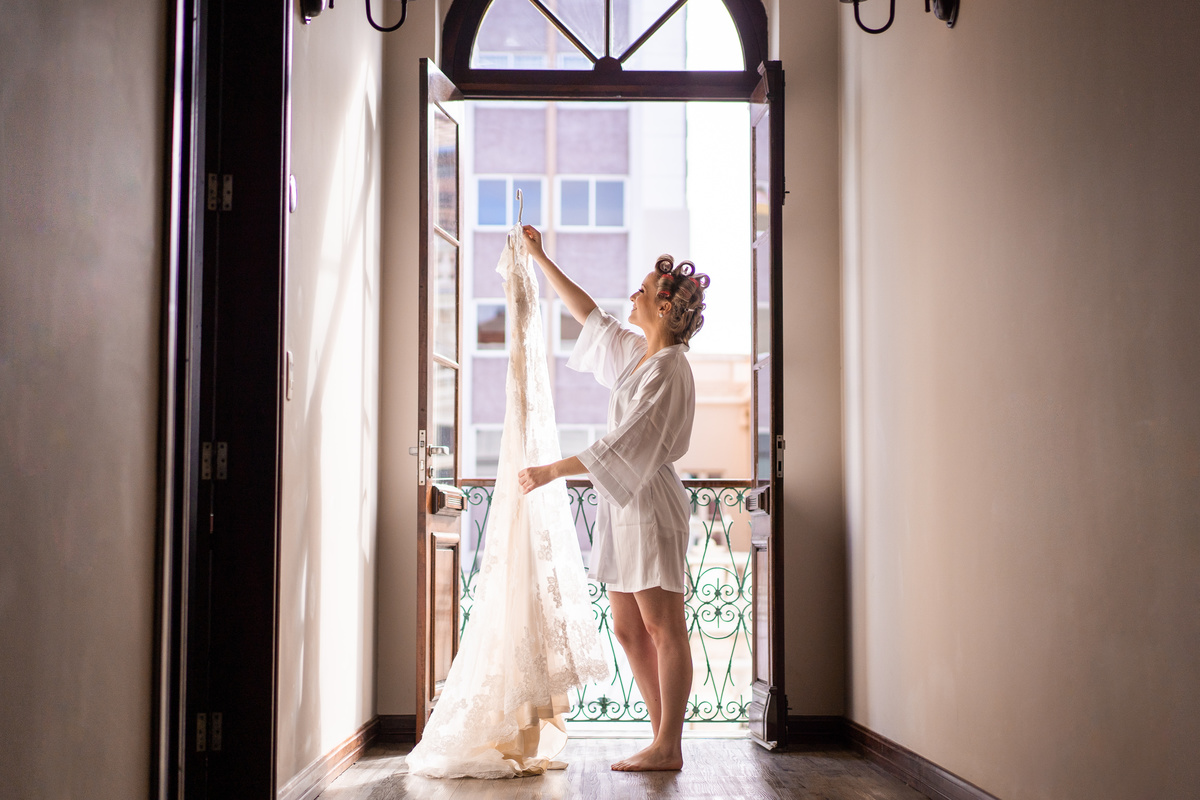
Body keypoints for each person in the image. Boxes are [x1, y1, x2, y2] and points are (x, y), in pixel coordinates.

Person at [516, 225, 710, 772]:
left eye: (644, 291)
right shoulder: (640, 355)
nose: (634, 296)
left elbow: (629, 443)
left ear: (666, 306)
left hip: (650, 506)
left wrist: (555, 468)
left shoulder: (670, 369)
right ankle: (659, 736)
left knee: (663, 625)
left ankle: (668, 744)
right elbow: (590, 317)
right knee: (628, 627)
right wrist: (540, 257)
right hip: (622, 505)